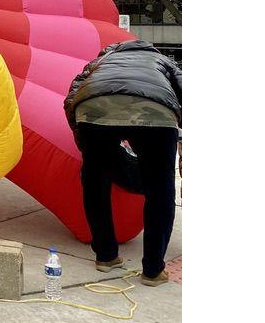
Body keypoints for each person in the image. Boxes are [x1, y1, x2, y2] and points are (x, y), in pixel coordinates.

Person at [64, 41, 182, 286]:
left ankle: (105, 256)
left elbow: (73, 93)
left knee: (95, 182)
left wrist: (81, 134)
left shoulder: (102, 61)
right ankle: (152, 270)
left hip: (94, 107)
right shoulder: (163, 61)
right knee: (160, 188)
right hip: (156, 112)